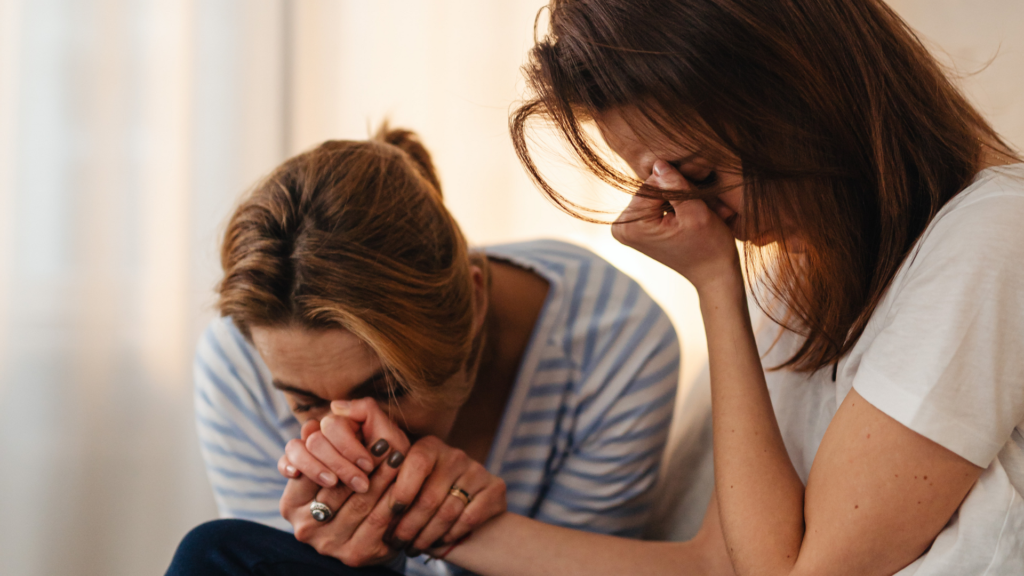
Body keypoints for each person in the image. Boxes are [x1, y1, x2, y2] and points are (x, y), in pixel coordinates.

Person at [166, 126, 680, 575]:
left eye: (389, 388)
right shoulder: (242, 358)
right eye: (306, 404)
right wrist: (351, 548)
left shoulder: (615, 345)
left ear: (476, 301)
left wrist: (456, 527)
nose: (350, 431)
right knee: (216, 553)